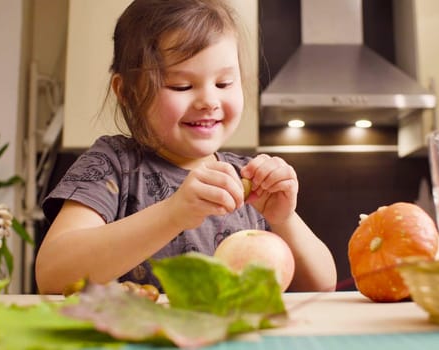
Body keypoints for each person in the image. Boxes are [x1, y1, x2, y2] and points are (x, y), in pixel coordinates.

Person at [35, 0, 337, 294]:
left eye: (224, 83)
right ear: (126, 92)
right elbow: (52, 274)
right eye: (181, 86)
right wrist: (172, 214)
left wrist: (283, 219)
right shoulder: (112, 165)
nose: (208, 101)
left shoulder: (246, 179)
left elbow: (322, 286)